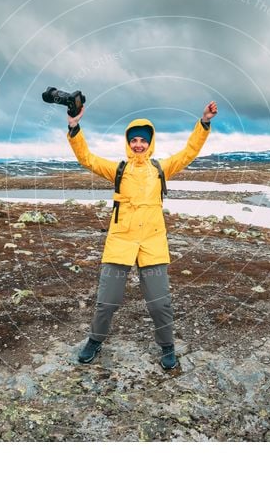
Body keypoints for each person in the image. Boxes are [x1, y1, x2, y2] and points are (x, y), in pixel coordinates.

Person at [66, 100, 218, 369]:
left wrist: (203, 123)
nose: (138, 144)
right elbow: (86, 158)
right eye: (133, 140)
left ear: (150, 143)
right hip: (120, 242)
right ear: (128, 143)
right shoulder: (118, 170)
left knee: (160, 304)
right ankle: (95, 340)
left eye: (142, 140)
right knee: (107, 302)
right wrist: (74, 126)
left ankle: (167, 346)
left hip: (152, 243)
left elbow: (189, 152)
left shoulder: (161, 168)